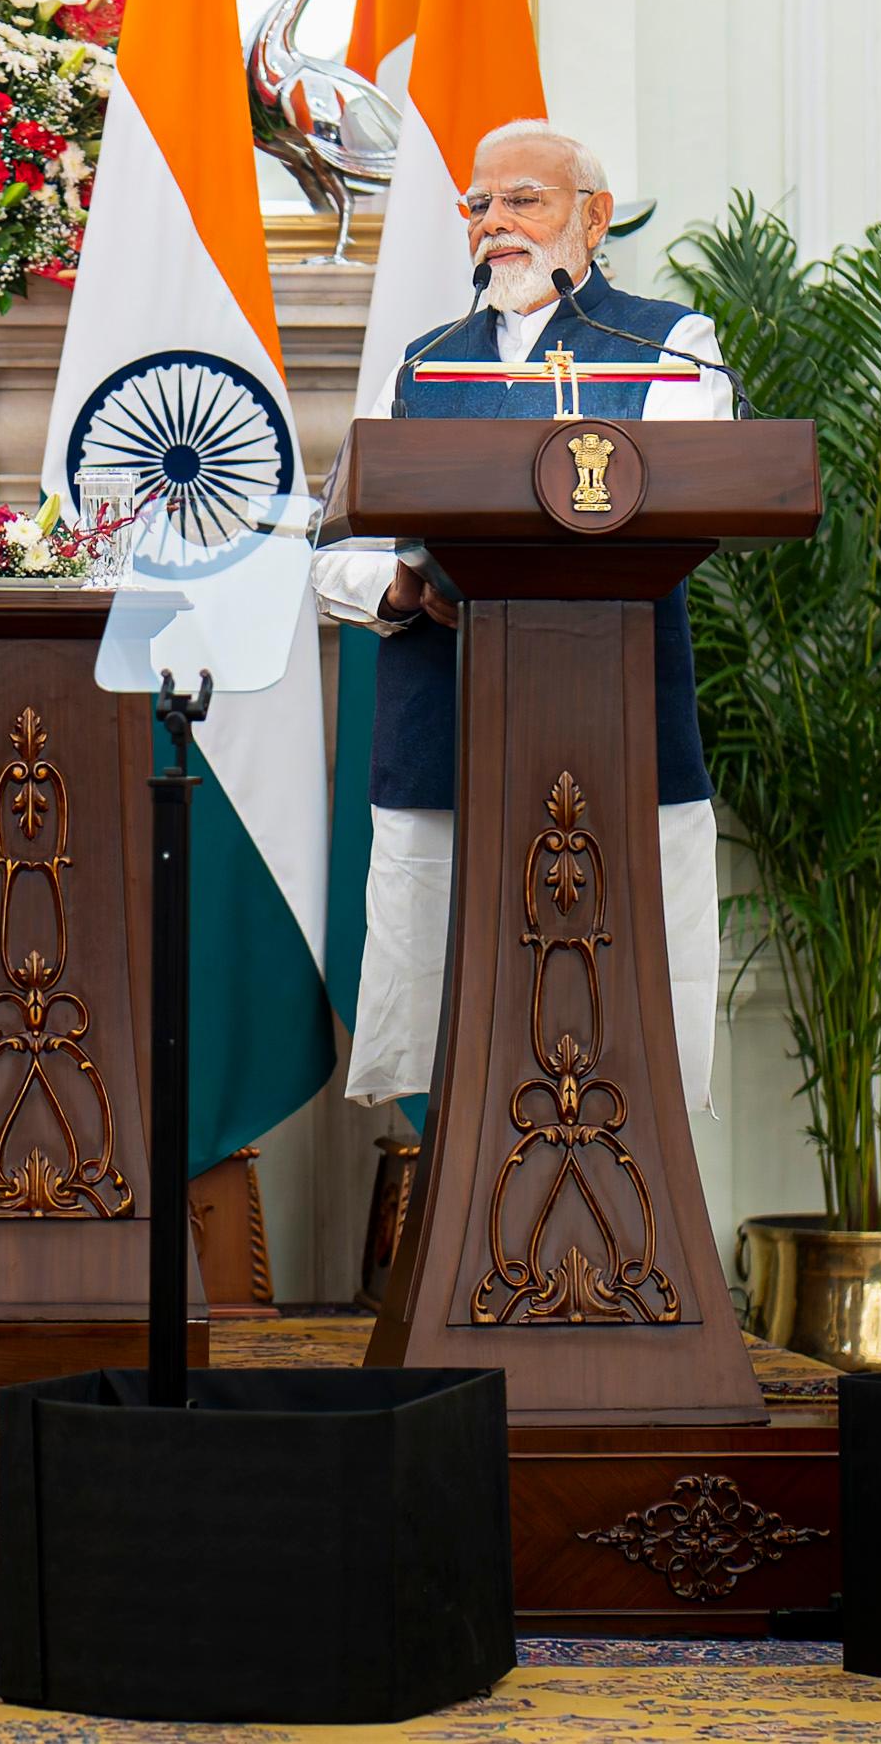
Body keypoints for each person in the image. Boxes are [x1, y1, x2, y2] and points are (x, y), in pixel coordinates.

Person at [314, 122, 731, 1115]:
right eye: (479, 205)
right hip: (445, 730)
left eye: (524, 200)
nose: (495, 223)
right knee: (461, 1043)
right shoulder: (422, 365)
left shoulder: (668, 344)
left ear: (595, 217)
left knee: (617, 1043)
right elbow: (335, 552)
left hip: (613, 728)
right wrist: (402, 588)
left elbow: (696, 498)